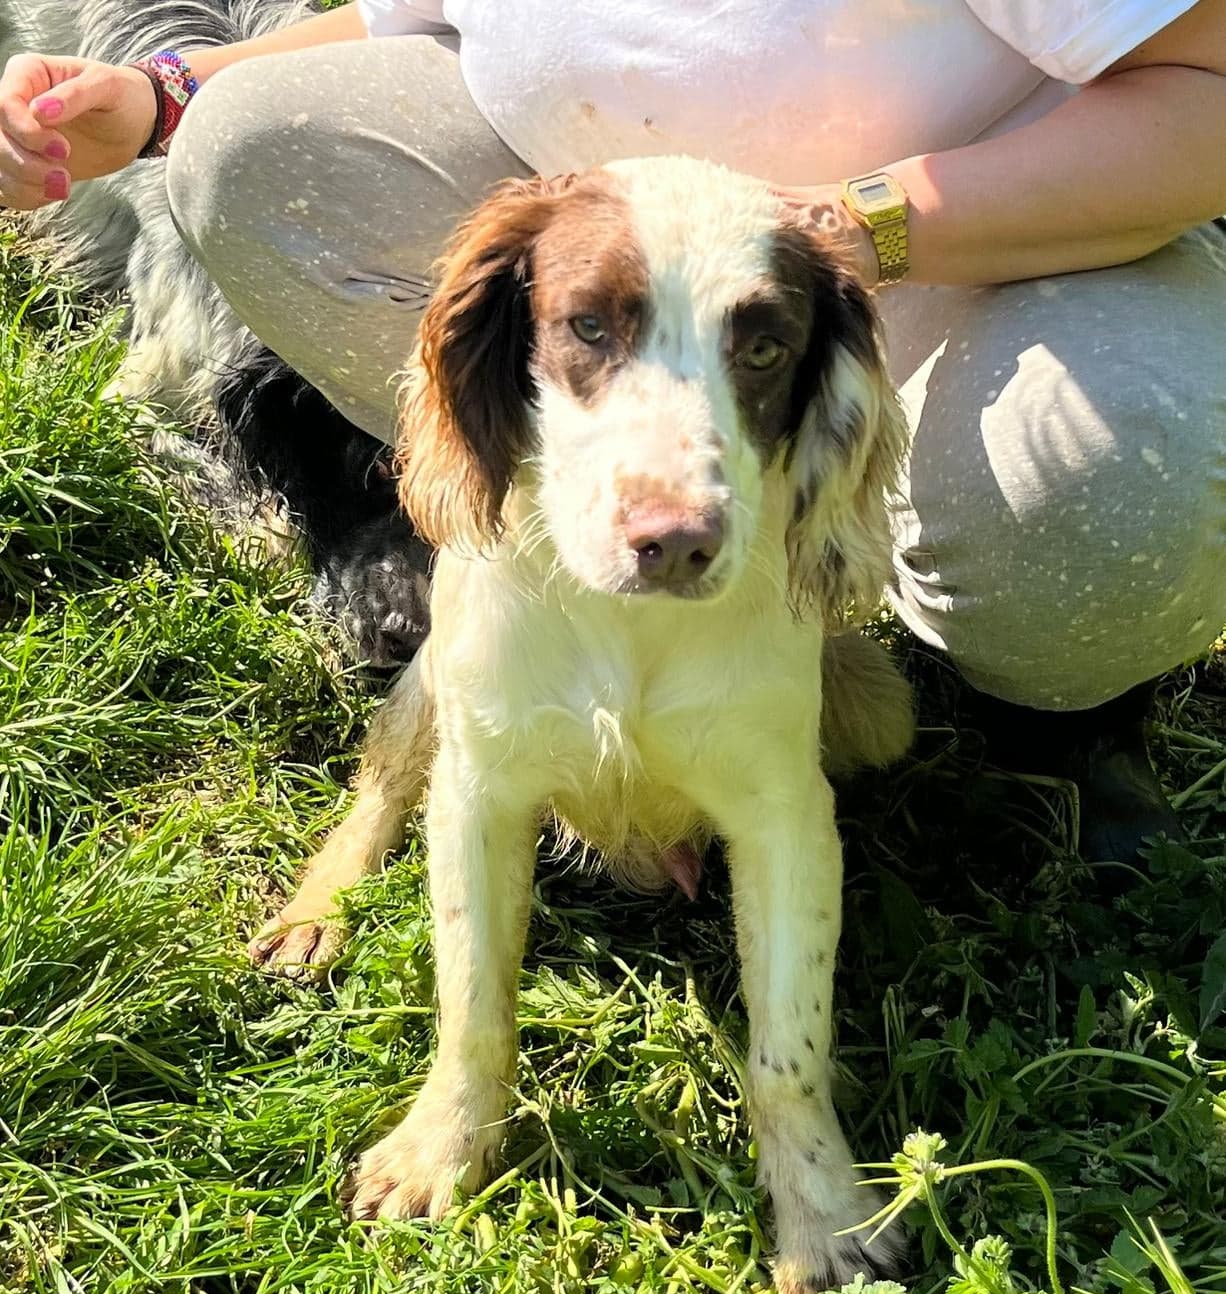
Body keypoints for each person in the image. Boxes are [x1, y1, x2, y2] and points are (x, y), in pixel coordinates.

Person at [2, 0, 1224, 864]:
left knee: (1104, 473)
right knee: (256, 151)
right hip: (618, 289)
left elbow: (1200, 105)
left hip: (960, 271)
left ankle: (1046, 715)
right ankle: (551, 552)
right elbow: (414, 16)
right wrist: (155, 98)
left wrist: (850, 231)